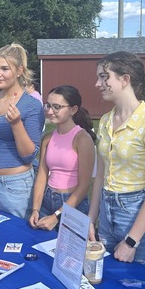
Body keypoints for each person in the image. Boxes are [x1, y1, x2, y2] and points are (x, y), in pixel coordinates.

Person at [88, 51, 145, 273]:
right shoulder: (106, 121)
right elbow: (100, 176)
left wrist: (131, 241)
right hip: (107, 217)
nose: (98, 83)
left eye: (105, 77)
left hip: (140, 221)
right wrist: (91, 218)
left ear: (125, 79)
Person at [0, 43, 44, 219]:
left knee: (17, 240)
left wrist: (16, 124)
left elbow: (29, 155)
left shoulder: (31, 105)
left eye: (5, 69)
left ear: (19, 70)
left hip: (15, 185)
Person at [29, 85, 96, 231]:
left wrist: (57, 216)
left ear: (73, 109)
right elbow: (42, 175)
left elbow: (84, 186)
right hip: (47, 201)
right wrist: (35, 209)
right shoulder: (47, 139)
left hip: (73, 205)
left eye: (57, 107)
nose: (50, 111)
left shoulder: (82, 139)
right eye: (48, 105)